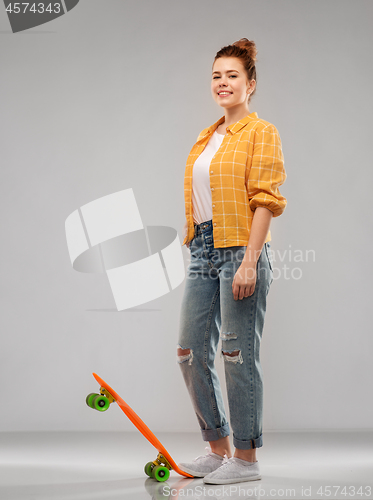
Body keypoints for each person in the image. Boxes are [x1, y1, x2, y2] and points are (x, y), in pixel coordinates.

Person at [176, 38, 287, 485]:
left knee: (237, 354)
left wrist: (248, 261)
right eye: (216, 75)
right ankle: (217, 447)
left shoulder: (262, 132)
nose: (222, 83)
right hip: (203, 248)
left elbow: (266, 202)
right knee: (188, 352)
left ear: (251, 84)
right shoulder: (208, 135)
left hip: (241, 249)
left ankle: (246, 458)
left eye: (232, 76)